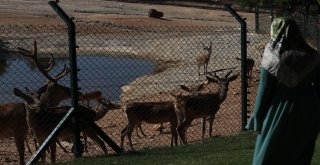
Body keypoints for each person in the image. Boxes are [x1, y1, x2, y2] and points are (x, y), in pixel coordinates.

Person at [246, 17, 320, 165]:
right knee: (299, 154)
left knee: (267, 155)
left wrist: (257, 116)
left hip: (279, 108)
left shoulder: (271, 56)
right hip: (309, 109)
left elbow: (265, 89)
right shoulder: (313, 55)